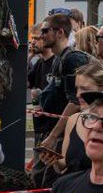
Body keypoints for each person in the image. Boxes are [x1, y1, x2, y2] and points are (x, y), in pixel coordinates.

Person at [40, 59, 103, 177]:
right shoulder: (74, 120)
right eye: (77, 88)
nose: (77, 95)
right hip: (73, 191)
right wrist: (54, 161)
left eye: (85, 89)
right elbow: (64, 165)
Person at [36, 13, 90, 158]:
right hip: (53, 131)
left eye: (45, 31)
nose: (41, 35)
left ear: (60, 32)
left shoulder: (72, 59)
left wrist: (53, 136)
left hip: (65, 135)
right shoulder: (57, 59)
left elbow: (76, 102)